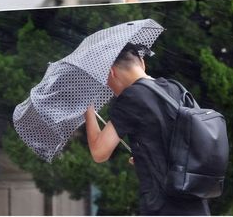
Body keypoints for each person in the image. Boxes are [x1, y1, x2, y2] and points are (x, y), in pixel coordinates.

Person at [84, 44, 210, 216]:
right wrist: (150, 156)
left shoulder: (131, 98)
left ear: (112, 72)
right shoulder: (176, 88)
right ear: (142, 62)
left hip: (164, 206)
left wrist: (87, 108)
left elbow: (100, 152)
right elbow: (190, 142)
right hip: (196, 202)